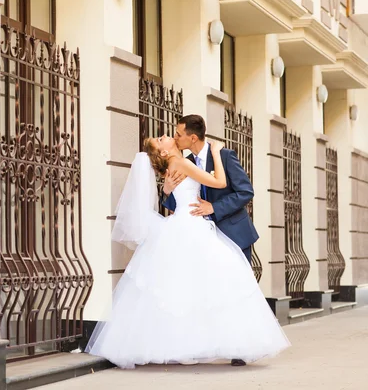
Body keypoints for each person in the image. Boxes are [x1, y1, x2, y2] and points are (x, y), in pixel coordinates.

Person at [84, 135, 290, 369]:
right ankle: (202, 343)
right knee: (206, 283)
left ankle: (183, 345)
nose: (166, 136)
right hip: (190, 224)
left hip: (184, 222)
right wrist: (215, 152)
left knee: (182, 287)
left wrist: (169, 189)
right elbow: (220, 183)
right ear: (163, 153)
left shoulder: (175, 165)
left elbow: (180, 193)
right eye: (160, 140)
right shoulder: (181, 163)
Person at [163, 114, 258, 265]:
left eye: (179, 134)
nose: (175, 138)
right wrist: (167, 190)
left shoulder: (224, 156)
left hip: (234, 234)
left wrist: (213, 207)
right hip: (204, 239)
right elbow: (178, 204)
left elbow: (246, 192)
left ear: (193, 138)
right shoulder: (185, 163)